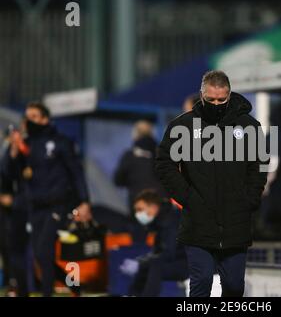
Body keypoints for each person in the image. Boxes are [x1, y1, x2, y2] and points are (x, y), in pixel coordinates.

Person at [155, 70, 268, 297]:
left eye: (221, 100)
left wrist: (249, 199)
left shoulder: (249, 126)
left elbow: (259, 165)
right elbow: (164, 163)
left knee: (235, 285)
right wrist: (187, 198)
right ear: (201, 95)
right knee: (202, 281)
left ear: (229, 95)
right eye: (211, 100)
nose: (216, 104)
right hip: (198, 222)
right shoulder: (183, 126)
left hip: (236, 221)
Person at [3, 102, 92, 296]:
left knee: (44, 251)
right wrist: (13, 152)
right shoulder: (27, 145)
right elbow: (9, 174)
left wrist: (84, 201)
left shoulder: (60, 142)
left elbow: (76, 172)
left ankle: (47, 293)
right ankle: (74, 285)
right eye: (27, 117)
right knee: (39, 254)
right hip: (35, 207)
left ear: (45, 119)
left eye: (34, 117)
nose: (29, 121)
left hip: (57, 204)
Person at [120, 189, 188, 297]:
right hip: (177, 261)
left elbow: (169, 254)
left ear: (153, 207)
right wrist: (141, 261)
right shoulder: (161, 221)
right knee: (148, 264)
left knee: (155, 266)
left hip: (189, 264)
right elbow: (158, 252)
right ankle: (133, 295)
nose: (137, 214)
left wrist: (142, 263)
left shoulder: (173, 220)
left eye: (140, 209)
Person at [0, 122, 31, 296]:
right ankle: (13, 283)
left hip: (24, 205)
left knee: (33, 248)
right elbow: (5, 172)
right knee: (9, 246)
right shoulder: (8, 152)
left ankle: (19, 284)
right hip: (11, 207)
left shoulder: (26, 149)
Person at [114, 120, 166, 214]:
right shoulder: (162, 154)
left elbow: (118, 180)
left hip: (138, 208)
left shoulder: (129, 156)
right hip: (161, 207)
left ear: (135, 135)